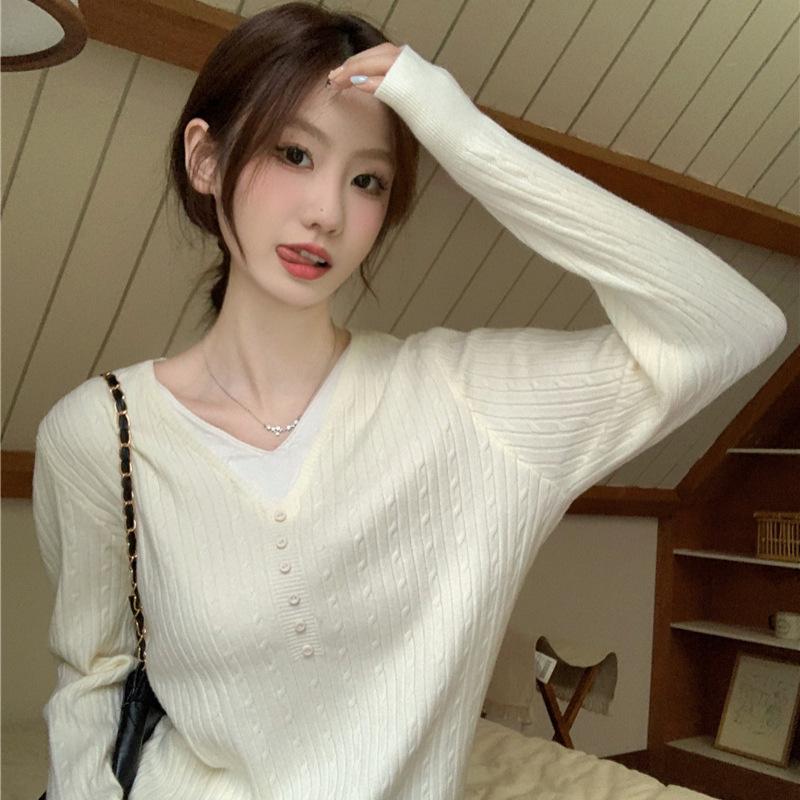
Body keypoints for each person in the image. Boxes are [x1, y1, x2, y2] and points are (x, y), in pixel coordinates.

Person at [31, 2, 787, 799]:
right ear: (206, 159)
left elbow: (732, 328)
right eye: (293, 153)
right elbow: (92, 689)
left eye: (368, 180)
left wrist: (464, 135)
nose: (327, 212)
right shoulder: (101, 435)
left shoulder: (467, 404)